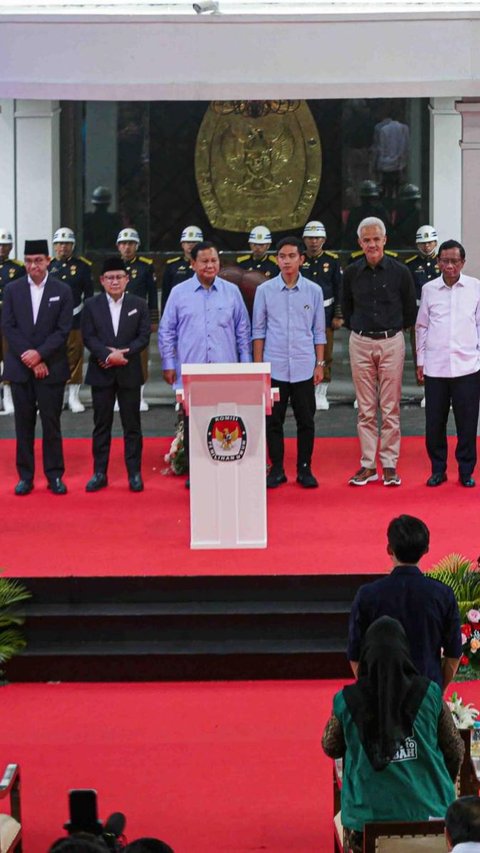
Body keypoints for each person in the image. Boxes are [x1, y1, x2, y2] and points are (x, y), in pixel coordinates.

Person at [323, 616, 464, 853]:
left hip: (365, 824)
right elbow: (456, 750)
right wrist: (432, 784)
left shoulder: (347, 701)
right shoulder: (430, 694)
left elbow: (330, 746)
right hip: (432, 819)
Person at [158, 241, 251, 477]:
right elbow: (167, 331)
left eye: (214, 261)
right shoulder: (179, 293)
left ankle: (225, 465)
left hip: (226, 370)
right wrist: (169, 364)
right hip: (191, 370)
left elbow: (243, 330)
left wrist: (247, 366)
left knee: (225, 418)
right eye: (204, 261)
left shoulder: (232, 292)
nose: (210, 266)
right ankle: (196, 470)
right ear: (192, 264)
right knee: (193, 422)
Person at [342, 216, 417, 486]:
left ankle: (388, 464)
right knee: (365, 409)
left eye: (376, 239)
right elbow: (347, 310)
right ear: (359, 242)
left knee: (390, 407)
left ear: (385, 240)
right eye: (367, 240)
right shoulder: (351, 272)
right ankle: (367, 465)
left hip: (391, 341)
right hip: (360, 341)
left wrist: (390, 333)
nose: (372, 244)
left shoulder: (400, 272)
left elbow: (410, 310)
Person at [347, 514, 462, 689]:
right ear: (426, 550)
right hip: (426, 694)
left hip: (380, 694)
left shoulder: (367, 595)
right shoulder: (442, 595)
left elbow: (355, 655)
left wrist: (372, 692)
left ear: (389, 549)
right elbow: (453, 654)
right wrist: (436, 694)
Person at [252, 235, 326, 489]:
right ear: (276, 260)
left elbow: (319, 331)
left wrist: (320, 364)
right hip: (275, 367)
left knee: (306, 420)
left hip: (305, 366)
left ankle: (305, 468)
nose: (286, 261)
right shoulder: (264, 291)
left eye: (292, 256)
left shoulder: (314, 291)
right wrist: (259, 367)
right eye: (282, 256)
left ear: (301, 259)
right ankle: (278, 469)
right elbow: (258, 331)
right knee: (274, 421)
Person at [2, 239, 73, 495]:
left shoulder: (62, 290)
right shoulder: (12, 289)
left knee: (51, 423)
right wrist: (29, 357)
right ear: (25, 262)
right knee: (23, 424)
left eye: (39, 260)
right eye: (30, 261)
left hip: (50, 366)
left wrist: (40, 355)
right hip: (21, 368)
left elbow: (63, 329)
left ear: (48, 261)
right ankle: (26, 476)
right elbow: (8, 326)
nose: (34, 265)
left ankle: (54, 475)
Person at [82, 256, 151, 493]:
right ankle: (99, 473)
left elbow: (143, 337)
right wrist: (107, 355)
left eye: (119, 277)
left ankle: (134, 473)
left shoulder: (138, 304)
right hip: (101, 371)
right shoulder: (91, 305)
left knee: (132, 425)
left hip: (129, 370)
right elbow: (88, 336)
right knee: (101, 425)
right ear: (102, 280)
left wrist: (125, 353)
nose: (114, 281)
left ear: (127, 279)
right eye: (110, 278)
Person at [416, 239, 480, 488]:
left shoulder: (475, 287)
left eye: (454, 261)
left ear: (463, 262)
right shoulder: (429, 289)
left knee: (466, 423)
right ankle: (438, 469)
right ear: (438, 262)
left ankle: (466, 471)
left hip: (467, 367)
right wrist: (421, 360)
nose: (449, 265)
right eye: (445, 261)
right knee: (434, 423)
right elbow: (421, 326)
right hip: (436, 367)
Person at [49, 227, 94, 413]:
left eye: (67, 244)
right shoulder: (47, 266)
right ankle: (56, 397)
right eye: (59, 244)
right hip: (52, 322)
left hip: (76, 318)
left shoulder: (83, 266)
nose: (63, 247)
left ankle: (73, 397)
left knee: (75, 357)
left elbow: (89, 294)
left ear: (73, 246)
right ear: (54, 246)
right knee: (54, 358)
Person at [301, 220, 343, 411]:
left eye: (317, 238)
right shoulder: (299, 260)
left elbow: (339, 289)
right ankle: (303, 391)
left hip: (325, 314)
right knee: (302, 353)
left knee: (325, 354)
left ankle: (321, 393)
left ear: (324, 240)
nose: (314, 242)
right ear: (304, 240)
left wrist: (338, 314)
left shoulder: (332, 261)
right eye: (310, 238)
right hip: (302, 316)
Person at [116, 228, 158, 412]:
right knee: (118, 358)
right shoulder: (113, 265)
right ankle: (119, 397)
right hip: (116, 318)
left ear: (137, 246)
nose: (127, 248)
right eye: (124, 244)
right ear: (118, 246)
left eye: (131, 244)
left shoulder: (145, 266)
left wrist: (154, 319)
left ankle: (139, 396)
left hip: (139, 319)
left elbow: (152, 295)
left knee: (140, 358)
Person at [405, 224, 440, 405]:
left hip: (440, 316)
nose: (426, 246)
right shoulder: (410, 265)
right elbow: (407, 295)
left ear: (435, 242)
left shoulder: (442, 263)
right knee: (420, 350)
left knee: (439, 350)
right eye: (423, 243)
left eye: (430, 242)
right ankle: (425, 388)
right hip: (419, 314)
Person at [0, 227, 24, 415]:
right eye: (0, 245)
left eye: (6, 245)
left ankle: (8, 398)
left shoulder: (18, 268)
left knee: (9, 358)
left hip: (8, 320)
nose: (2, 248)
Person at [161, 225, 203, 315]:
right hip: (178, 310)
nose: (191, 245)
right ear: (182, 245)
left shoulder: (206, 265)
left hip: (201, 309)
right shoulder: (172, 265)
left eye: (194, 242)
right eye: (188, 242)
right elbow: (166, 294)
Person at [83, 186, 123, 251]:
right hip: (111, 254)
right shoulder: (114, 219)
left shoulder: (88, 219)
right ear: (108, 203)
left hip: (92, 254)